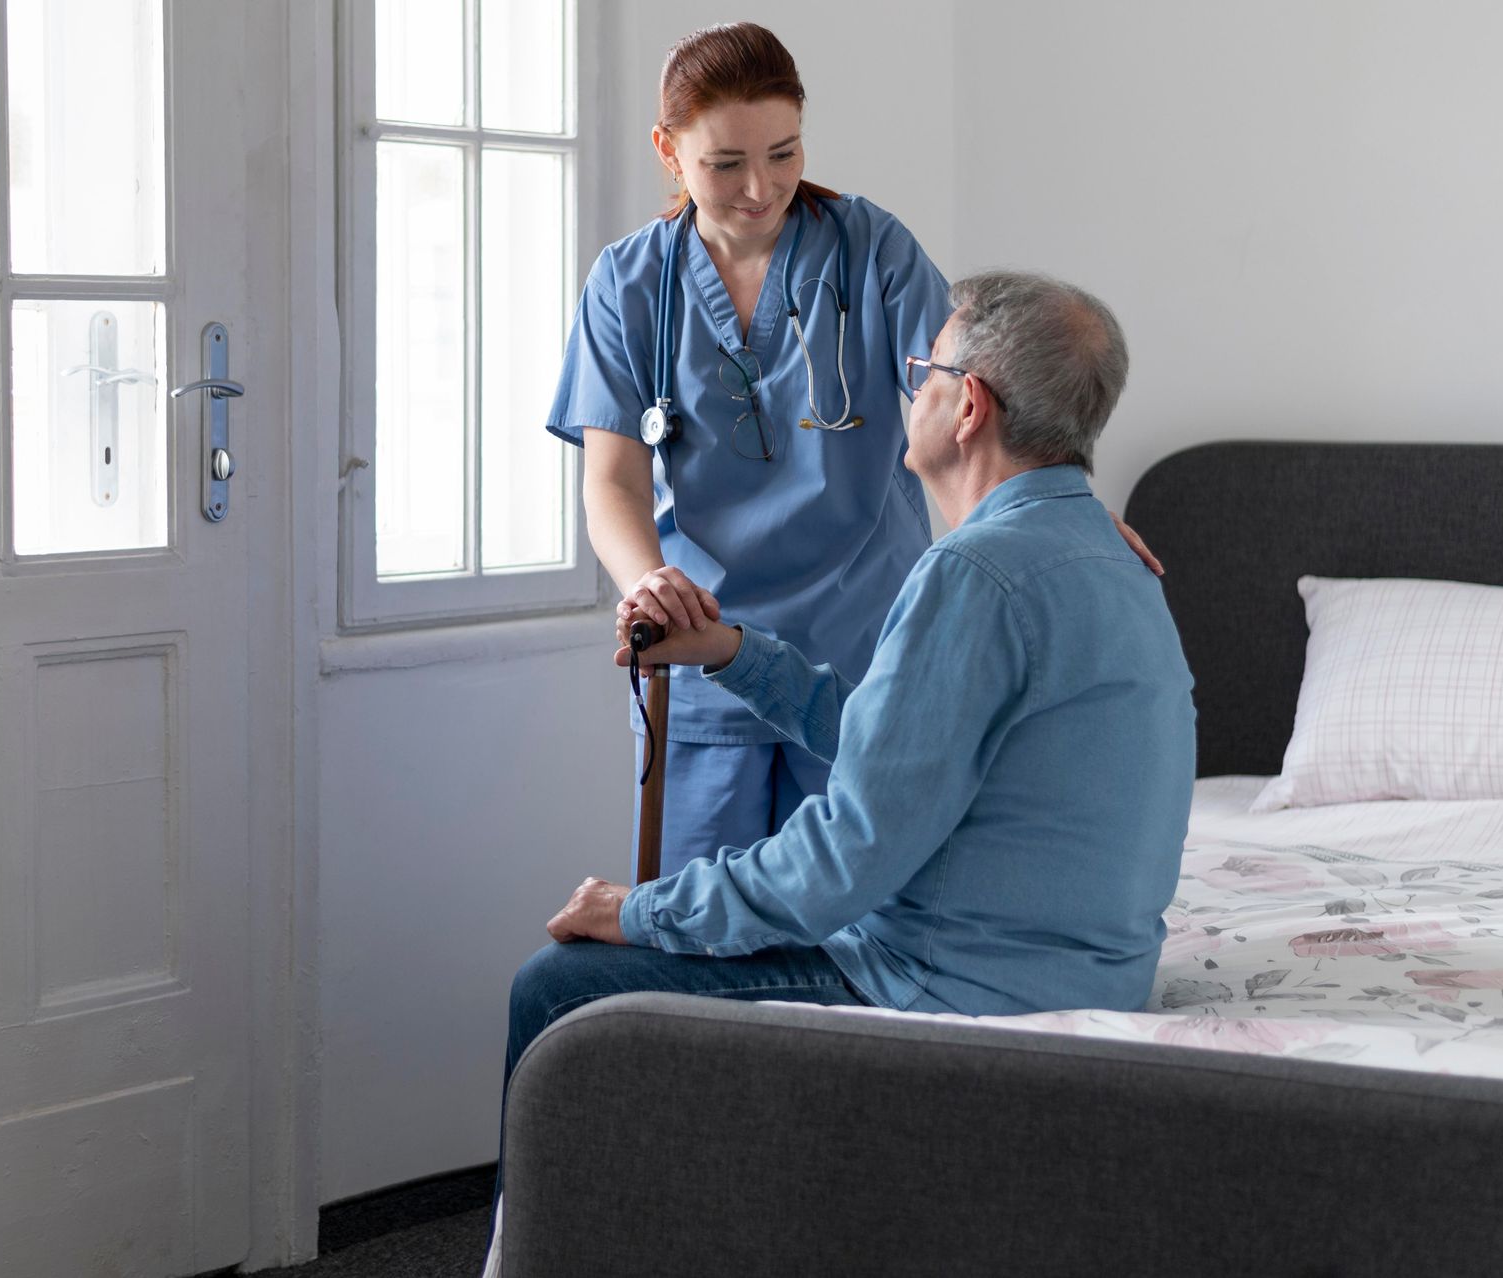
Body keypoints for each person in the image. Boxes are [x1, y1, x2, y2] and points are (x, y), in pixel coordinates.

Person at [507, 266, 1197, 1131]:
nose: (912, 395)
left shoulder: (975, 573)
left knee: (556, 986)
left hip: (955, 990)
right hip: (1088, 976)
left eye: (925, 376)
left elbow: (843, 864)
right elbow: (904, 748)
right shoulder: (1116, 561)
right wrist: (732, 655)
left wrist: (642, 908)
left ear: (970, 407)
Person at [546, 23, 1159, 880]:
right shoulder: (628, 282)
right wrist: (647, 580)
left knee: (854, 937)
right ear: (669, 151)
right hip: (700, 649)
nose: (761, 188)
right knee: (693, 949)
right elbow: (611, 480)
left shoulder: (871, 250)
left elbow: (971, 406)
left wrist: (1066, 517)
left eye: (784, 153)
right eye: (726, 164)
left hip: (861, 655)